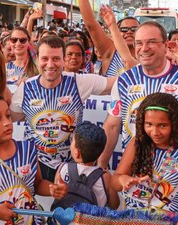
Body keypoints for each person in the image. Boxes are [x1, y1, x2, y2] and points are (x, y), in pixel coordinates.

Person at [100, 21, 178, 169]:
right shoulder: (124, 80)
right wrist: (100, 165)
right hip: (136, 172)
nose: (144, 48)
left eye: (151, 42)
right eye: (139, 43)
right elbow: (111, 127)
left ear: (165, 45)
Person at [10, 36, 116, 182]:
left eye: (56, 59)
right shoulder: (25, 88)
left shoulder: (78, 82)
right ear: (37, 59)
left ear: (63, 59)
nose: (50, 64)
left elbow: (119, 82)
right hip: (35, 162)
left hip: (70, 163)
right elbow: (12, 117)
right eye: (45, 58)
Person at [0, 93, 67, 224]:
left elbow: (37, 184)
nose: (7, 123)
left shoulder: (28, 149)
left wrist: (52, 189)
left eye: (8, 116)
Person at [112, 93, 178, 225]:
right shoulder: (136, 144)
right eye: (149, 124)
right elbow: (115, 180)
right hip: (134, 219)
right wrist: (122, 179)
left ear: (175, 124)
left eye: (162, 125)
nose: (155, 132)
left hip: (171, 221)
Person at [54, 121, 119, 209]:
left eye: (72, 141)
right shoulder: (105, 177)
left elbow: (56, 195)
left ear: (77, 153)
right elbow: (114, 205)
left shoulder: (63, 168)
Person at [79, 0, 140, 76]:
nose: (129, 32)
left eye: (134, 29)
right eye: (124, 29)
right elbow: (91, 25)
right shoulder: (110, 51)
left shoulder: (148, 57)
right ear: (117, 32)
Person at [6, 27, 38, 94]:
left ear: (28, 42)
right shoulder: (5, 67)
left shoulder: (37, 66)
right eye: (14, 40)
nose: (18, 43)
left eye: (22, 40)